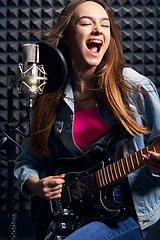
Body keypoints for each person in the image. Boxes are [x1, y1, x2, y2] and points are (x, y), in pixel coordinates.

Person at [14, 0, 160, 239]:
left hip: (124, 209)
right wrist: (36, 185)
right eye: (86, 23)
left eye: (105, 25)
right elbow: (26, 161)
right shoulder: (50, 93)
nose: (98, 30)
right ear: (68, 36)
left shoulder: (135, 88)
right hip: (69, 212)